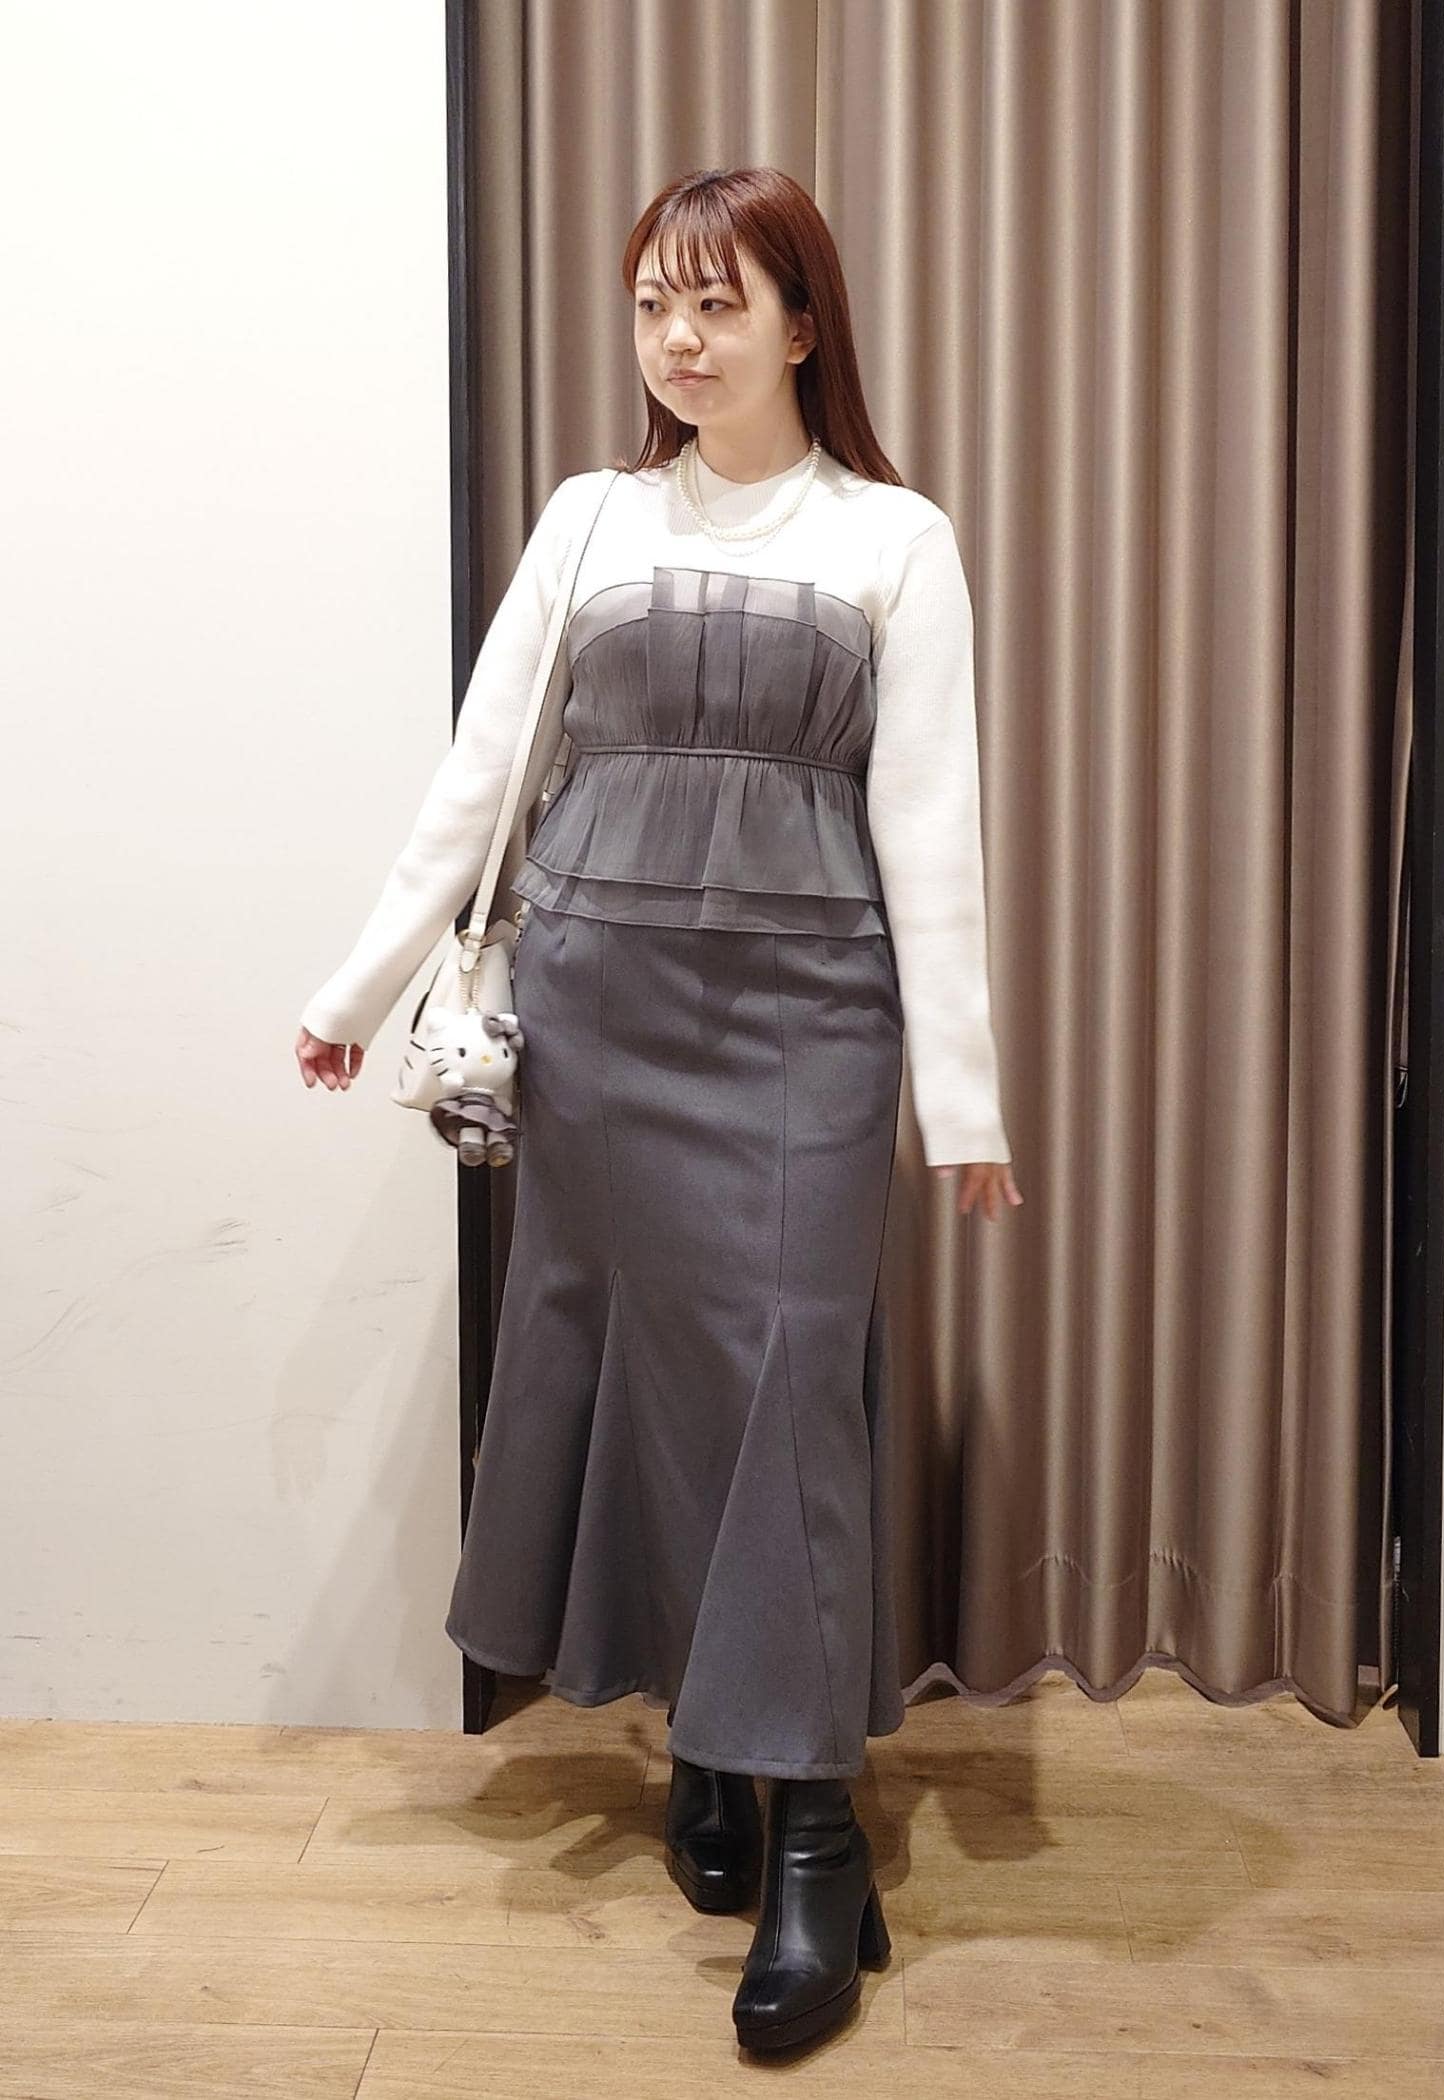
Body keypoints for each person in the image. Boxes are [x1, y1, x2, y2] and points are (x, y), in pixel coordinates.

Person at [294, 164, 1023, 2054]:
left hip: (808, 1023)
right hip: (598, 1011)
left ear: (802, 323)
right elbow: (482, 775)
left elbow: (931, 829)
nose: (679, 340)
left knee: (788, 1394)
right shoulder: (590, 517)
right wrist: (358, 992)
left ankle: (816, 1842)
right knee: (645, 1386)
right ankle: (706, 1741)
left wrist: (962, 1102)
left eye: (717, 303)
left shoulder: (896, 539)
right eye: (651, 306)